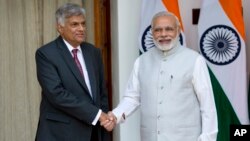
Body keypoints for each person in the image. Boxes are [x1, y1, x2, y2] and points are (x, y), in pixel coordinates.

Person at [106, 11, 218, 141]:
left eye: (169, 29)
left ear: (178, 30)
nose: (163, 34)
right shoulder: (141, 61)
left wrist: (208, 138)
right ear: (152, 32)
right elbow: (132, 97)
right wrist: (115, 115)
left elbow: (207, 105)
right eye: (158, 30)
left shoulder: (195, 60)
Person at [35, 3, 114, 141]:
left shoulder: (93, 52)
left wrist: (105, 119)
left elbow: (102, 92)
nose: (81, 29)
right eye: (75, 24)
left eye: (83, 24)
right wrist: (97, 115)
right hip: (61, 134)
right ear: (60, 28)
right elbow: (57, 94)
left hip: (94, 132)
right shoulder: (46, 54)